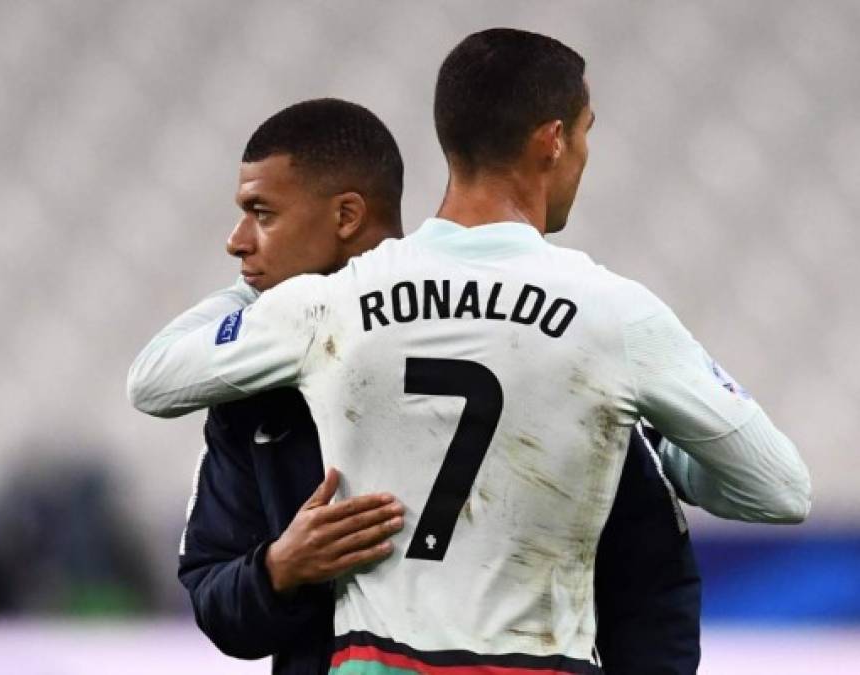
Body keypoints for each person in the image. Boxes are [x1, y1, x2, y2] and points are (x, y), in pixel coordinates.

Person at [130, 30, 811, 674]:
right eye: (584, 134)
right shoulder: (609, 317)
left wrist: (267, 293)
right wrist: (659, 439)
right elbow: (777, 489)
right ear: (551, 141)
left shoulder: (327, 307)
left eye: (262, 216)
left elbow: (154, 382)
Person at [173, 99, 701, 675]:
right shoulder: (254, 401)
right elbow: (214, 594)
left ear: (346, 215)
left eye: (262, 213)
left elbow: (652, 585)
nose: (236, 241)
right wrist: (278, 569)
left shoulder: (552, 351)